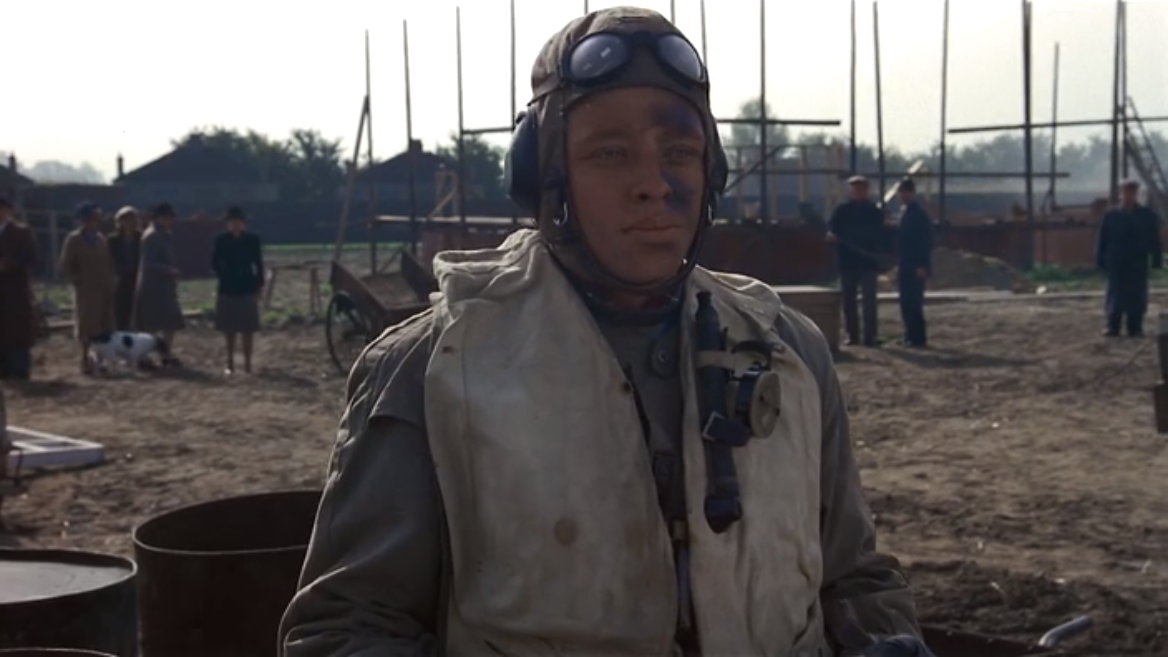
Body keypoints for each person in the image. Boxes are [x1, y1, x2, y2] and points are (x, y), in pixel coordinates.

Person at [280, 8, 926, 657]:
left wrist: (885, 640)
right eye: (610, 154)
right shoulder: (435, 368)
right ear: (542, 176)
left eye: (680, 152)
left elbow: (854, 578)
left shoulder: (790, 352)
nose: (653, 185)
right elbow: (345, 631)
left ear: (712, 173)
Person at [1095, 179, 1163, 338]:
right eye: (1126, 191)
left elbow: (1154, 238)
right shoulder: (1111, 215)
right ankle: (1113, 325)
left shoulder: (1146, 215)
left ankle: (1135, 326)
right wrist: (1099, 259)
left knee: (1137, 295)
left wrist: (1156, 259)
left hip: (1137, 261)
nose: (1129, 195)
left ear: (1136, 194)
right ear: (1120, 193)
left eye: (1132, 192)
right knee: (1115, 294)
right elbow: (1102, 239)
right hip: (1116, 261)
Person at [58, 201, 118, 374]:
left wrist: (111, 280)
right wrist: (78, 280)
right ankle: (85, 358)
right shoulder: (74, 239)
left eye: (96, 218)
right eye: (90, 218)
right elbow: (66, 265)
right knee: (86, 324)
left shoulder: (100, 239)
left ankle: (100, 359)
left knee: (104, 323)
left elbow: (108, 262)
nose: (94, 222)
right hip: (86, 290)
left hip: (104, 287)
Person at [827, 176, 886, 347]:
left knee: (869, 302)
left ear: (866, 190)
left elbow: (879, 235)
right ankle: (852, 335)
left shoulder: (874, 212)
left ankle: (870, 336)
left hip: (867, 262)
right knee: (848, 301)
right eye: (855, 188)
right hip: (847, 263)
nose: (858, 191)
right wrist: (832, 237)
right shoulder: (841, 211)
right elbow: (832, 230)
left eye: (861, 188)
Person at [210, 206, 264, 374]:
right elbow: (214, 262)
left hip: (247, 286)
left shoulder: (252, 240)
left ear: (243, 223)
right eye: (232, 221)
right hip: (228, 287)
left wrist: (259, 285)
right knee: (229, 329)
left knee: (248, 329)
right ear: (227, 223)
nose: (235, 224)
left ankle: (248, 363)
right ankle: (230, 361)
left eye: (238, 221)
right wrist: (223, 273)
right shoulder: (221, 240)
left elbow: (258, 264)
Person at [135, 202, 184, 366]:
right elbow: (147, 264)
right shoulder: (152, 236)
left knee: (170, 322)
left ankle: (165, 353)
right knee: (152, 324)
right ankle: (144, 357)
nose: (170, 220)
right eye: (167, 217)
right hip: (153, 286)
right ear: (158, 218)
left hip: (164, 286)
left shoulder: (164, 234)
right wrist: (168, 269)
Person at [0, 196, 38, 380]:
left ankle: (19, 369)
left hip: (15, 289)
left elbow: (31, 256)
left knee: (18, 331)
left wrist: (8, 264)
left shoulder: (21, 232)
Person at [894, 178, 933, 348]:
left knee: (914, 301)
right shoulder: (905, 213)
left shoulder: (918, 215)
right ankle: (909, 335)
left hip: (915, 264)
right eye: (901, 192)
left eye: (906, 192)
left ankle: (918, 337)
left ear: (912, 193)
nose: (903, 195)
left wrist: (922, 265)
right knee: (906, 302)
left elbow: (924, 242)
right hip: (904, 263)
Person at [107, 206, 142, 332]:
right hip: (119, 280)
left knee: (137, 310)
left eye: (132, 219)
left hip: (137, 279)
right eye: (126, 219)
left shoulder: (142, 238)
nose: (129, 223)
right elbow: (108, 260)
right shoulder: (112, 240)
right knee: (120, 310)